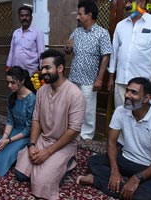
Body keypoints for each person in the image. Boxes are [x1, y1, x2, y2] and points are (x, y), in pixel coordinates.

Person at [77, 77, 151, 200]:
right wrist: (114, 171)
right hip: (125, 159)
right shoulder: (120, 111)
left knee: (148, 197)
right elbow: (111, 143)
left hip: (147, 168)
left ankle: (97, 181)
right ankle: (123, 184)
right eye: (127, 91)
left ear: (146, 98)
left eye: (134, 92)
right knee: (93, 162)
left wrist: (137, 178)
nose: (127, 95)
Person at [14, 49, 86, 200]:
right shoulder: (41, 91)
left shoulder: (75, 94)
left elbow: (73, 130)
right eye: (42, 68)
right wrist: (32, 145)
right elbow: (36, 120)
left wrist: (48, 152)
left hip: (63, 145)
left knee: (40, 186)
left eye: (47, 68)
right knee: (20, 175)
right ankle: (47, 167)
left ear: (60, 69)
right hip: (43, 140)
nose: (43, 72)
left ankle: (68, 162)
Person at [65, 0, 111, 144]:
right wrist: (67, 48)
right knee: (72, 106)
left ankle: (87, 135)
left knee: (88, 109)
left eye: (80, 14)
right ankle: (72, 130)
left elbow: (106, 57)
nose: (77, 17)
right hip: (74, 77)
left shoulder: (102, 33)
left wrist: (99, 79)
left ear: (89, 15)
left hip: (90, 79)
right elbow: (68, 51)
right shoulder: (76, 32)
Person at [107, 0, 151, 108]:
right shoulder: (120, 25)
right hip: (121, 81)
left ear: (142, 2)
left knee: (142, 119)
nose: (127, 5)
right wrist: (111, 77)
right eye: (126, 2)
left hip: (142, 84)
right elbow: (114, 53)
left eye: (131, 1)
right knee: (122, 116)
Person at [0, 67, 36, 176]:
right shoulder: (11, 96)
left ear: (22, 81)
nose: (9, 86)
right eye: (8, 82)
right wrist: (5, 137)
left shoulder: (31, 99)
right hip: (14, 130)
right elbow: (10, 120)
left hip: (26, 134)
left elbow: (29, 128)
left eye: (13, 82)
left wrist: (9, 140)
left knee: (6, 156)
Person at [6, 6, 45, 76]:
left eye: (27, 15)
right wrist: (8, 66)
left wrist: (42, 69)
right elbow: (12, 51)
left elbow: (41, 52)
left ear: (31, 17)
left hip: (31, 72)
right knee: (17, 87)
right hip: (16, 71)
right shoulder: (16, 33)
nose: (24, 18)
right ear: (19, 18)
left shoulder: (37, 32)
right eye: (22, 16)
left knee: (30, 87)